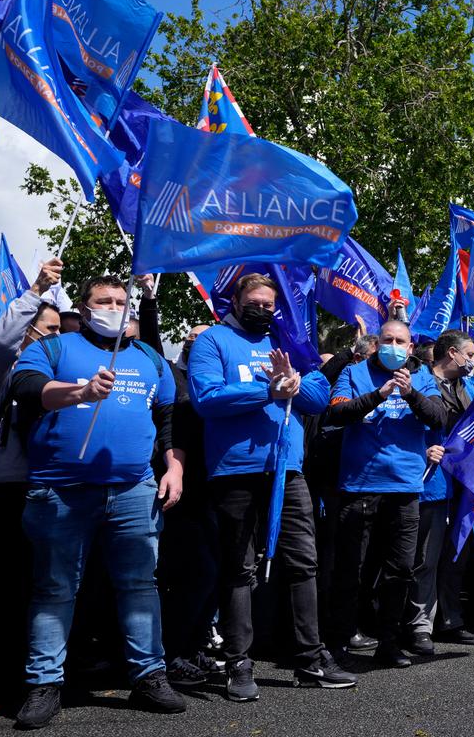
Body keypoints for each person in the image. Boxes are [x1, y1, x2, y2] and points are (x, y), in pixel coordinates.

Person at [10, 276, 185, 728]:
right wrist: (80, 393)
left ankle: (149, 675)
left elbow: (168, 417)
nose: (114, 307)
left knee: (140, 587)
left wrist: (174, 466)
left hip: (134, 492)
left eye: (121, 301)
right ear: (84, 310)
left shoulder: (150, 358)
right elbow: (27, 388)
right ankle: (44, 684)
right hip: (60, 493)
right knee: (54, 590)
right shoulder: (55, 349)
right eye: (103, 301)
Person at [188, 273, 352, 701]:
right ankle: (239, 662)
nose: (262, 308)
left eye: (269, 303)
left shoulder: (290, 343)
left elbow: (318, 398)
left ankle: (309, 657)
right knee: (238, 568)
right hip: (234, 471)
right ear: (236, 300)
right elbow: (207, 398)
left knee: (303, 563)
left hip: (287, 471)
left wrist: (295, 385)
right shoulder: (214, 341)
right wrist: (268, 389)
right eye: (254, 301)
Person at [0, 260, 63, 714]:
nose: (55, 337)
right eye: (46, 329)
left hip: (62, 491)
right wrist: (37, 290)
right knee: (0, 590)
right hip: (10, 491)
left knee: (49, 589)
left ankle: (44, 679)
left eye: (61, 330)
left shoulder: (67, 373)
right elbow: (1, 340)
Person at [329, 319, 445, 667]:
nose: (394, 346)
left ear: (411, 348)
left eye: (401, 342)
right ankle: (338, 644)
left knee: (400, 571)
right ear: (377, 344)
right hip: (359, 487)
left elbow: (438, 417)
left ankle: (389, 642)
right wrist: (376, 397)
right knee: (351, 571)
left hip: (405, 489)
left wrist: (410, 394)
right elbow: (336, 413)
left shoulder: (421, 377)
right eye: (387, 340)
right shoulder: (354, 373)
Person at [136, 275, 220, 688]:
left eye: (203, 336)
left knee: (216, 574)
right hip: (175, 489)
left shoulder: (221, 383)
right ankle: (170, 654)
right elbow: (151, 346)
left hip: (217, 489)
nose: (194, 341)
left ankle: (192, 649)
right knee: (190, 573)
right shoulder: (171, 375)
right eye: (189, 337)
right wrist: (150, 300)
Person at [405, 329, 474, 651]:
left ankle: (451, 620)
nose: (472, 360)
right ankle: (418, 626)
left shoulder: (470, 387)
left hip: (462, 486)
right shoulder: (419, 380)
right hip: (430, 485)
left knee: (455, 557)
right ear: (452, 353)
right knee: (425, 559)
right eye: (469, 353)